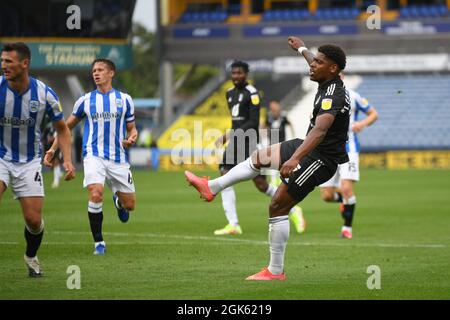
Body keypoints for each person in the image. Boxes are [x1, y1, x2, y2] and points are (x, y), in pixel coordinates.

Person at [185, 36, 350, 280]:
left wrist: (294, 159)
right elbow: (314, 61)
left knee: (277, 205)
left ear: (333, 68)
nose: (312, 65)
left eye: (318, 62)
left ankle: (274, 271)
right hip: (310, 147)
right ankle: (211, 187)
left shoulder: (333, 94)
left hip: (320, 158)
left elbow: (320, 130)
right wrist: (302, 48)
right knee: (259, 157)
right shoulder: (328, 79)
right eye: (313, 61)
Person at [45, 58, 138, 255]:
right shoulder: (85, 101)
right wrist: (53, 150)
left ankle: (119, 202)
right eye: (94, 70)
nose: (96, 73)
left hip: (118, 158)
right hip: (93, 156)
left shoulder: (125, 100)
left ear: (111, 73)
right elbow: (65, 127)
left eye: (100, 70)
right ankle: (99, 243)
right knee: (95, 193)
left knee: (130, 205)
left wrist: (131, 138)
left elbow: (132, 130)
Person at [0, 42, 75, 277]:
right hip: (0, 155)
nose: (4, 66)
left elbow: (62, 129)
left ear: (25, 63)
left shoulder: (44, 94)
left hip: (30, 160)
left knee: (33, 220)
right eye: (2, 61)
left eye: (9, 62)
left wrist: (68, 161)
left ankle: (31, 257)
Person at [213, 61, 303, 236]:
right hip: (236, 141)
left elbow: (253, 122)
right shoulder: (229, 93)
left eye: (239, 73)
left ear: (246, 74)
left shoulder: (252, 94)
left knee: (261, 184)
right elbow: (237, 120)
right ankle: (233, 224)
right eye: (233, 73)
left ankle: (293, 210)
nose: (236, 76)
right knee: (224, 173)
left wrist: (230, 133)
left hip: (248, 141)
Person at [319, 84, 378, 239]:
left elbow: (373, 114)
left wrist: (362, 124)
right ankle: (345, 202)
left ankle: (347, 229)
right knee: (327, 196)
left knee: (346, 189)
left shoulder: (354, 96)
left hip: (349, 150)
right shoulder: (323, 96)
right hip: (329, 150)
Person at [261, 100, 306, 234]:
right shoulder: (269, 117)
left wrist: (293, 135)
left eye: (275, 106)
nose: (274, 108)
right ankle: (288, 212)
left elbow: (290, 124)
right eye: (272, 106)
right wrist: (261, 135)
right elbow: (263, 126)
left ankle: (290, 212)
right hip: (271, 150)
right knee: (273, 185)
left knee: (277, 185)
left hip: (283, 150)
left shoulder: (283, 116)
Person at [42, 119, 63, 188]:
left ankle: (56, 181)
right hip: (50, 147)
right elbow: (44, 138)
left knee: (57, 162)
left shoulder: (60, 126)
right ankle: (58, 174)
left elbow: (62, 135)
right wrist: (48, 140)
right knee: (54, 163)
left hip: (58, 147)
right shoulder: (48, 127)